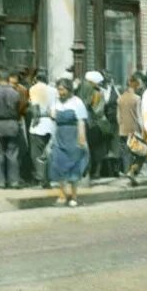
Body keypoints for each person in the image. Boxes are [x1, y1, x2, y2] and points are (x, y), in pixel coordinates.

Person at [48, 77, 89, 206]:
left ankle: (74, 196)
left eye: (62, 89)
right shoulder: (56, 102)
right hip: (59, 136)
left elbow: (81, 121)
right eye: (58, 90)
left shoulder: (77, 102)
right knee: (59, 164)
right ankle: (62, 194)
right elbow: (53, 118)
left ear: (69, 89)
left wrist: (82, 139)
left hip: (73, 136)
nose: (60, 92)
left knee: (74, 166)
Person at [115, 74, 145, 186]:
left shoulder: (120, 98)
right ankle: (133, 171)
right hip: (134, 130)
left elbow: (118, 116)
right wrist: (143, 130)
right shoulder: (137, 98)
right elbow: (139, 116)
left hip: (122, 129)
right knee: (142, 153)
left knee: (126, 153)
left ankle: (128, 172)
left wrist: (121, 126)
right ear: (135, 84)